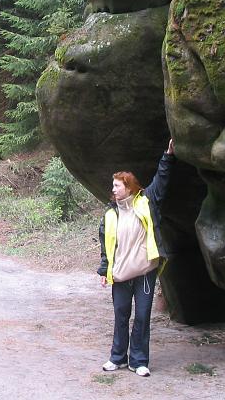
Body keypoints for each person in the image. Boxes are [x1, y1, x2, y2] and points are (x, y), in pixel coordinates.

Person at [98, 139, 176, 377]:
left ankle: (139, 360)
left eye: (117, 186)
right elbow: (106, 246)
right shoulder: (110, 214)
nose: (113, 189)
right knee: (121, 316)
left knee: (142, 317)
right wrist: (104, 271)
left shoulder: (146, 202)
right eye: (113, 186)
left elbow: (161, 181)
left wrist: (168, 156)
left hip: (144, 272)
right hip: (121, 273)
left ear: (129, 187)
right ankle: (117, 358)